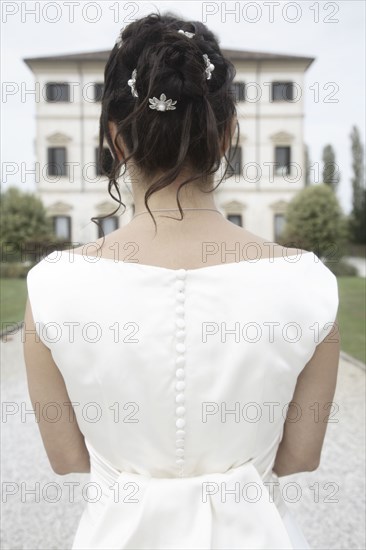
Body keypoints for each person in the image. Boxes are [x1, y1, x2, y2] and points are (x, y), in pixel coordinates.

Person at [23, 12, 340, 550]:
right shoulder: (309, 285)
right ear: (228, 138)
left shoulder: (51, 288)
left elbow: (67, 458)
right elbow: (299, 457)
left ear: (114, 140)